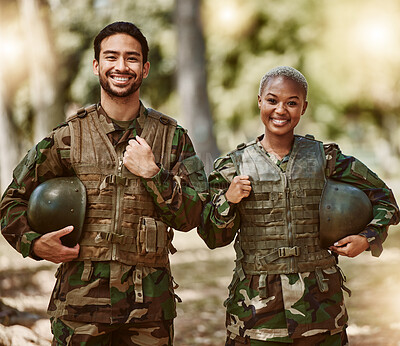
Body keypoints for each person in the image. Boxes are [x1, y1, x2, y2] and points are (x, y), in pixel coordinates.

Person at [0, 21, 208, 345]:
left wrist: (154, 174)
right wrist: (34, 244)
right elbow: (10, 202)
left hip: (149, 312)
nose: (121, 66)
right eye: (111, 57)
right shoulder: (67, 137)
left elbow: (194, 215)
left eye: (132, 58)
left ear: (146, 67)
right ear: (97, 65)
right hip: (79, 309)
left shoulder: (172, 138)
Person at [198, 66, 399, 345]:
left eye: (291, 103)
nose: (281, 110)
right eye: (272, 100)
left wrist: (367, 239)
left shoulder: (326, 158)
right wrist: (228, 201)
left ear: (303, 108)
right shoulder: (232, 166)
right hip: (256, 315)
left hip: (321, 311)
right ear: (259, 101)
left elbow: (384, 197)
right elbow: (211, 235)